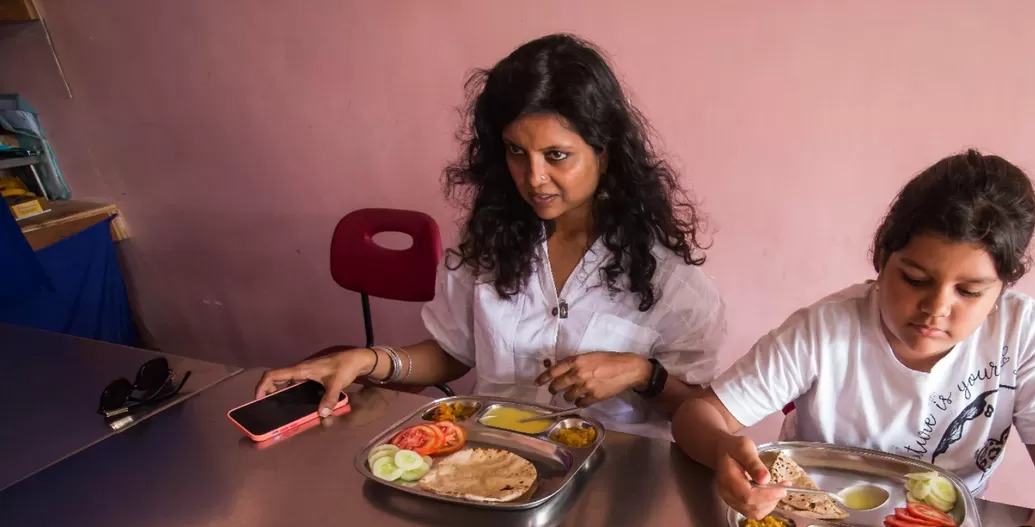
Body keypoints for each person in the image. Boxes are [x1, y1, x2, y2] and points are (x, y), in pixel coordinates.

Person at [673, 150, 1035, 527]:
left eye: (969, 292)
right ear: (881, 258)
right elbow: (697, 416)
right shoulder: (826, 331)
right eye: (915, 279)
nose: (936, 308)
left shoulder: (1021, 335)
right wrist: (722, 448)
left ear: (1003, 289)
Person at [255, 34, 725, 438]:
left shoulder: (670, 283)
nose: (534, 178)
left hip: (613, 491)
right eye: (516, 152)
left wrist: (644, 374)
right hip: (494, 465)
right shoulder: (491, 245)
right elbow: (452, 355)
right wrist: (367, 361)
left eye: (557, 156)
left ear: (604, 155)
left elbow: (701, 415)